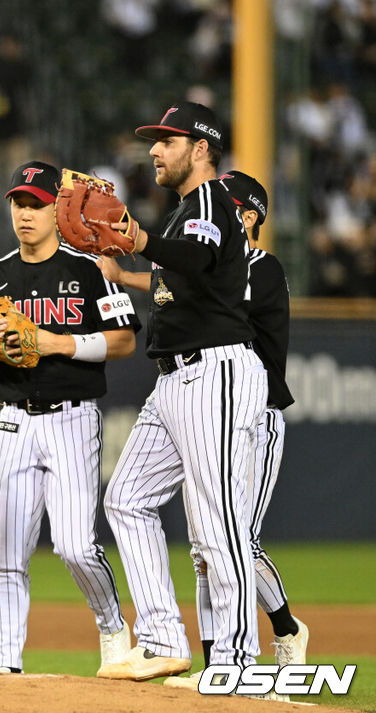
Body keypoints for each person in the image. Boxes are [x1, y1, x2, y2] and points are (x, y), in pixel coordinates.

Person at [101, 170, 308, 687]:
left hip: (250, 411)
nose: (206, 221)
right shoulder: (216, 263)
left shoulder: (258, 266)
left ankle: (276, 636)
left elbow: (198, 279)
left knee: (233, 538)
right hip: (202, 394)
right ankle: (211, 655)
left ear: (248, 216)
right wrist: (125, 276)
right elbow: (179, 281)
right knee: (200, 543)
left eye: (226, 208)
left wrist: (143, 244)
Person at [0, 160, 140, 675]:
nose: (25, 213)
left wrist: (57, 342)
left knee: (76, 546)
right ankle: (6, 666)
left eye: (36, 204)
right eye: (18, 203)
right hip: (14, 421)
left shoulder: (86, 270)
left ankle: (111, 625)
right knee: (7, 555)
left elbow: (125, 340)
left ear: (57, 212)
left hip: (71, 419)